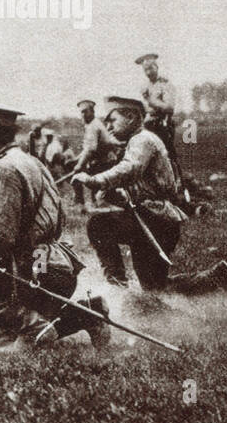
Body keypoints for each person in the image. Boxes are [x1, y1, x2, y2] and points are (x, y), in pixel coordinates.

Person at [0, 103, 107, 350]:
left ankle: (33, 327)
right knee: (4, 345)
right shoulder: (32, 162)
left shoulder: (4, 168)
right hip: (54, 266)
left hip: (35, 272)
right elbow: (58, 219)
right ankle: (88, 312)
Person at [73, 96, 186, 292]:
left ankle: (117, 288)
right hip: (151, 218)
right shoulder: (137, 141)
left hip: (157, 220)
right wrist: (114, 194)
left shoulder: (143, 140)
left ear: (131, 117)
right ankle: (215, 278)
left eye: (112, 120)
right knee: (153, 287)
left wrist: (94, 180)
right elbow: (139, 186)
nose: (108, 127)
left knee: (99, 225)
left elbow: (129, 169)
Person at [71, 99, 120, 211]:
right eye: (81, 112)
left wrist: (79, 165)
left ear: (92, 111)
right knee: (99, 189)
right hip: (101, 162)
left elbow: (90, 150)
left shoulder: (93, 126)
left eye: (85, 111)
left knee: (99, 190)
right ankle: (84, 203)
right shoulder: (91, 124)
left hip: (104, 163)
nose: (82, 115)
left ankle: (87, 205)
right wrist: (77, 160)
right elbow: (87, 148)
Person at [136, 53, 179, 171]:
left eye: (151, 68)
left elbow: (169, 107)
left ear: (157, 67)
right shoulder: (145, 86)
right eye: (145, 70)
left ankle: (178, 184)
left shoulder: (165, 84)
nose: (148, 72)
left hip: (162, 125)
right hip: (148, 125)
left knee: (167, 157)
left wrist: (150, 100)